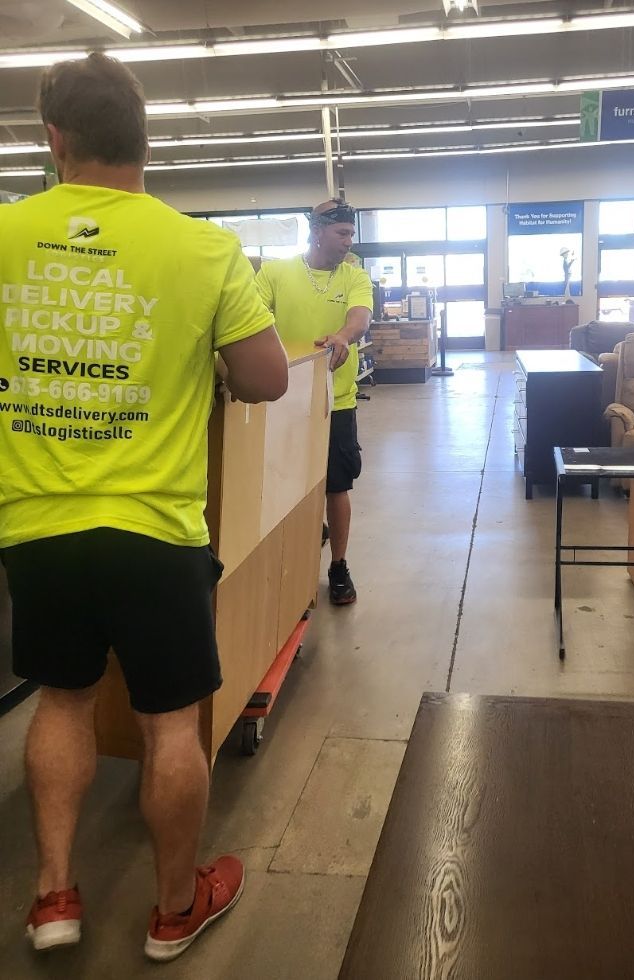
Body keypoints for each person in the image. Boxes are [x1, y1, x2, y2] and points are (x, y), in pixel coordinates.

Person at [0, 53, 288, 961]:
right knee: (169, 722)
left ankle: (54, 896)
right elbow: (267, 377)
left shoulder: (5, 235)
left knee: (62, 702)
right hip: (157, 528)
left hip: (37, 523)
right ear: (144, 140)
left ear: (54, 139)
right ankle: (172, 908)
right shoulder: (202, 248)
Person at [256, 200, 373, 605]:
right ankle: (289, 563)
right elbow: (253, 317)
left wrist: (343, 335)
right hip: (284, 401)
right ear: (318, 231)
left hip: (335, 401)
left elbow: (360, 317)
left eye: (351, 234)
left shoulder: (354, 275)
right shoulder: (275, 272)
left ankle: (338, 566)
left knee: (337, 487)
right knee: (283, 487)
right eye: (342, 233)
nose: (348, 241)